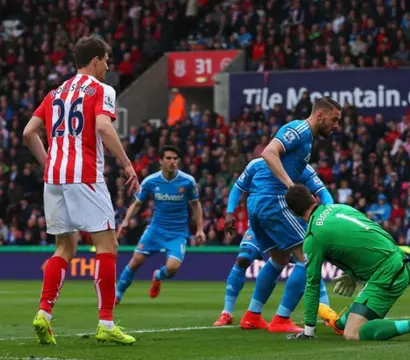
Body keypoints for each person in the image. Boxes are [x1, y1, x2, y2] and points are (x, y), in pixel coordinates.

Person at [23, 36, 139, 345]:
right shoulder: (102, 90)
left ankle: (44, 314)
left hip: (55, 178)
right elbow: (103, 126)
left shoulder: (55, 92)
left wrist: (50, 162)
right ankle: (106, 322)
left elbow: (28, 132)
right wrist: (127, 165)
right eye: (107, 60)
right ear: (96, 60)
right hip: (85, 175)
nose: (109, 66)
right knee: (107, 245)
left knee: (65, 247)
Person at [283, 185, 410, 342]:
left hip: (387, 273)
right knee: (343, 326)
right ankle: (337, 322)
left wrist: (308, 331)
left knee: (353, 333)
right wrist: (354, 273)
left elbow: (312, 283)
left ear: (294, 213)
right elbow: (367, 235)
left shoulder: (313, 237)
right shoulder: (339, 208)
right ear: (314, 198)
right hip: (395, 259)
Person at [238, 97, 342, 333]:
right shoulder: (299, 130)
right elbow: (269, 152)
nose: (336, 125)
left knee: (279, 259)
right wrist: (290, 186)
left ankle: (253, 314)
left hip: (258, 201)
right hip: (272, 199)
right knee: (308, 257)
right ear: (320, 116)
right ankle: (281, 319)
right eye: (334, 120)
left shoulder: (306, 141)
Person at [213, 159, 334, 326]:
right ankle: (228, 312)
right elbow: (237, 188)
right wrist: (229, 212)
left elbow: (323, 192)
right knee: (245, 259)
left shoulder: (300, 165)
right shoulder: (257, 164)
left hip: (282, 221)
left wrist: (327, 214)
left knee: (284, 260)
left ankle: (253, 314)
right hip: (265, 218)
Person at [115, 145, 205, 303]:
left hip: (177, 233)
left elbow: (196, 205)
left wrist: (200, 229)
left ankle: (158, 276)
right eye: (168, 158)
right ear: (161, 161)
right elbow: (137, 203)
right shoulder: (151, 181)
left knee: (172, 268)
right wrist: (125, 222)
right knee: (136, 260)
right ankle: (117, 294)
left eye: (175, 159)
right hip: (156, 230)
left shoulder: (188, 181)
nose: (172, 162)